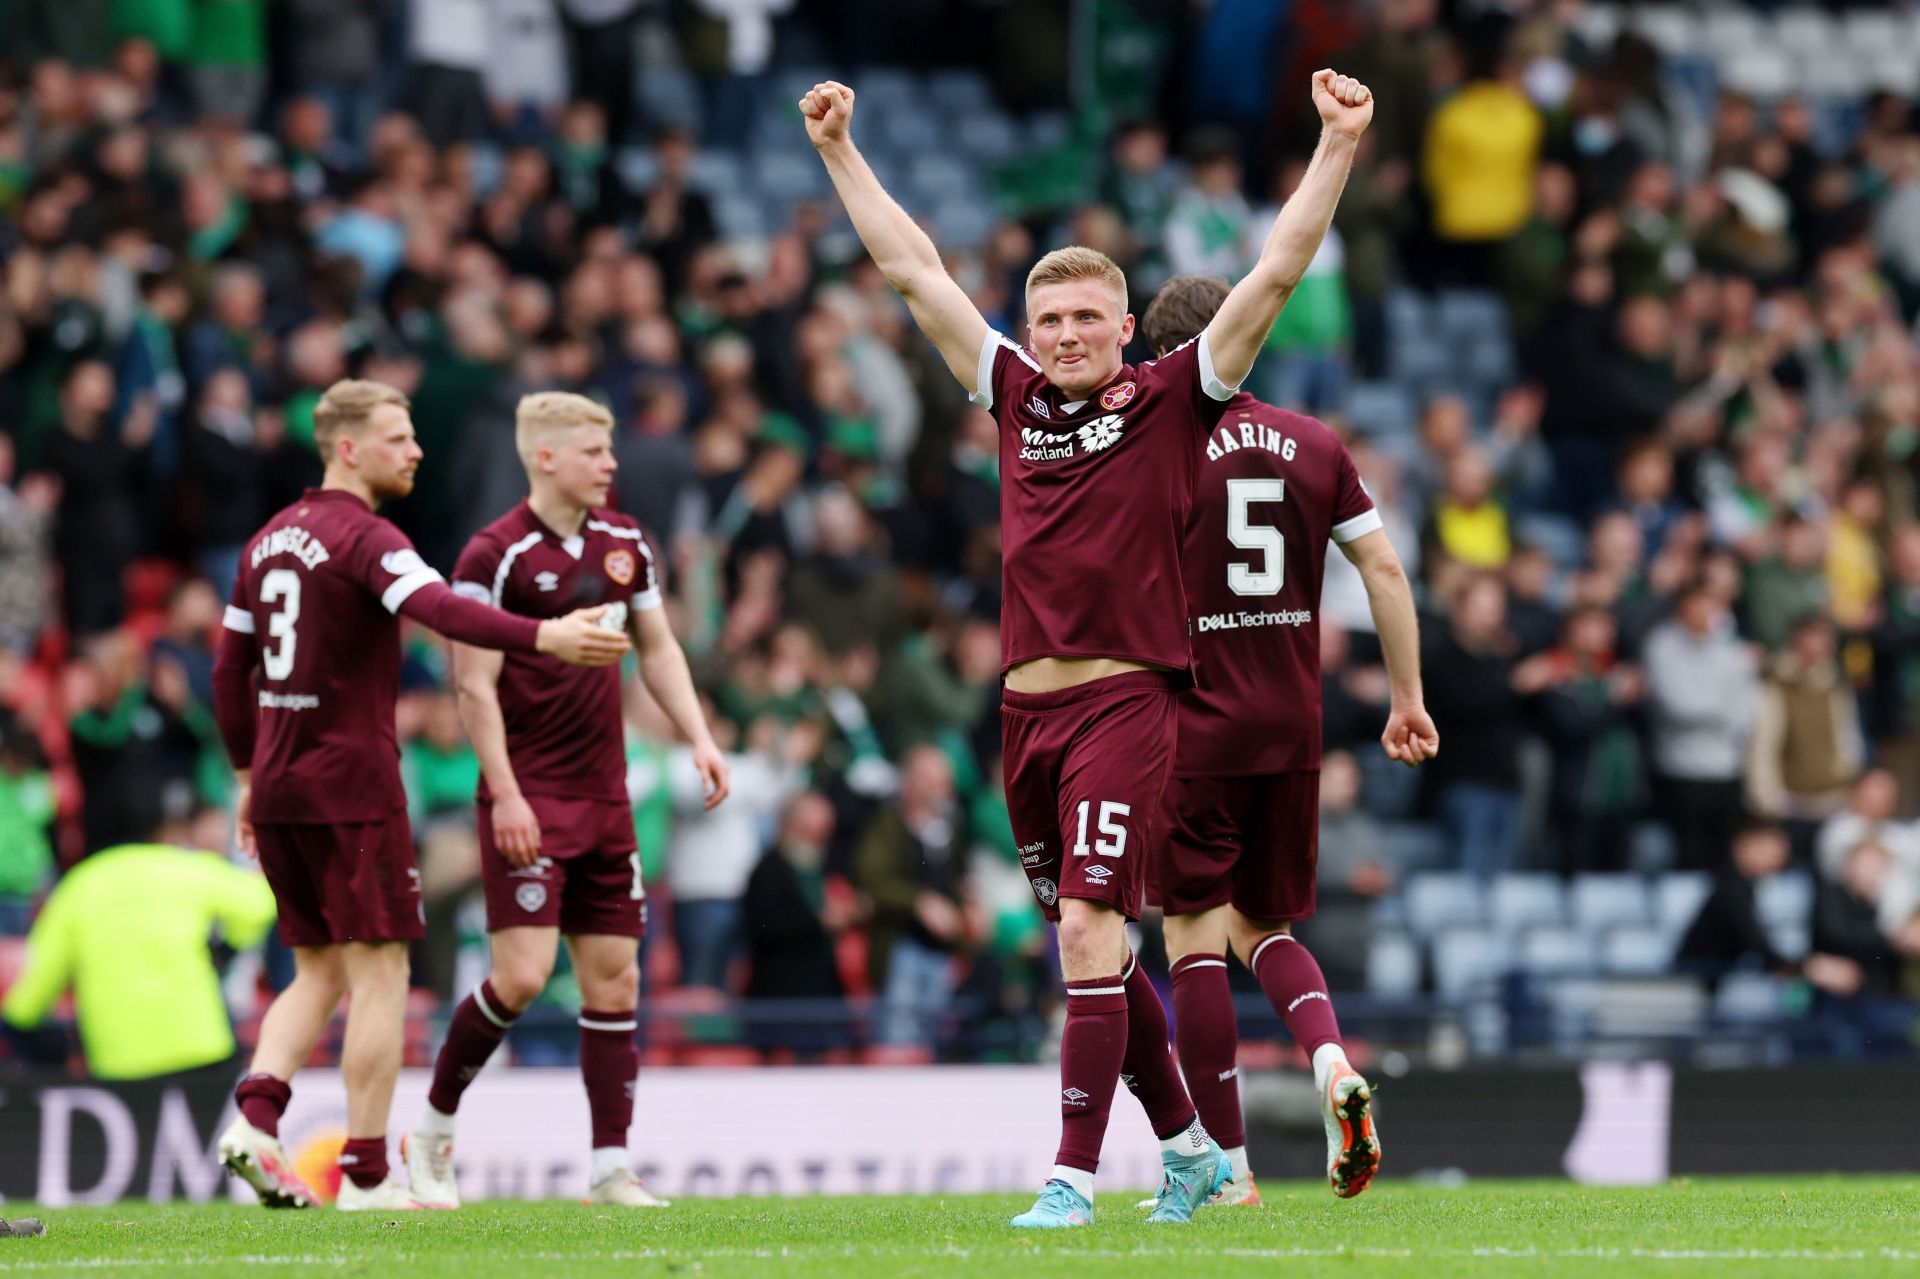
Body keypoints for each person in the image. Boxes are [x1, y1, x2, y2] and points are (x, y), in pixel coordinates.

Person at [801, 67, 1377, 1228]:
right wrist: (838, 152)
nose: (1063, 336)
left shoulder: (1173, 399)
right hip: (1025, 719)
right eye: (1046, 319)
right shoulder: (1013, 395)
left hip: (1128, 706)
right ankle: (1193, 1152)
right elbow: (913, 272)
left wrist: (1337, 145)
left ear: (1126, 328)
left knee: (1084, 927)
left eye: (1084, 319)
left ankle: (1069, 1174)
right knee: (1101, 953)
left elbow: (1275, 271)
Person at [211, 380, 629, 1212]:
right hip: (351, 785)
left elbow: (231, 668)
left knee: (320, 968)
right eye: (399, 438)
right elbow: (439, 607)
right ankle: (367, 1174)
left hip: (284, 781)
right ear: (348, 448)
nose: (416, 451)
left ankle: (255, 1121)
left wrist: (246, 775)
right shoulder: (368, 538)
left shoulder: (265, 542)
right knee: (382, 973)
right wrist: (542, 634)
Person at [1135, 274, 1434, 1206]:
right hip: (1289, 718)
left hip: (1193, 718)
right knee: (1265, 926)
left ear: (1162, 357)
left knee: (1191, 939)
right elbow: (1383, 568)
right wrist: (1406, 699)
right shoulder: (1316, 444)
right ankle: (1334, 1059)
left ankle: (1231, 1169)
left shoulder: (1156, 445)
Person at [403, 392, 730, 1210]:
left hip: (604, 797)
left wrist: (697, 734)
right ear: (544, 457)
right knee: (518, 975)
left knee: (614, 981)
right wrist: (505, 793)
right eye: (594, 450)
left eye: (611, 448)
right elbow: (472, 687)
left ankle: (610, 1167)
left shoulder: (626, 542)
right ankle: (433, 1129)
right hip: (529, 794)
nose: (611, 464)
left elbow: (658, 648)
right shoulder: (493, 554)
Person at [1, 804, 276, 1081]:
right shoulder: (185, 867)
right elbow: (263, 902)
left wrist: (19, 1023)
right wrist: (226, 949)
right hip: (199, 1042)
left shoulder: (78, 884)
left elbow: (36, 987)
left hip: (118, 1058)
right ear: (163, 830)